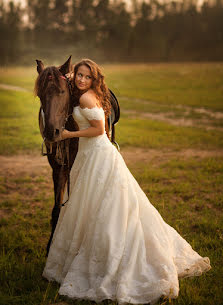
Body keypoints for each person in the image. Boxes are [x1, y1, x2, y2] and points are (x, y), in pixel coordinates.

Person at [42, 59, 211, 304]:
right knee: (96, 204)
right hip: (92, 155)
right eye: (78, 75)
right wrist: (64, 76)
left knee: (105, 205)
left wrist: (69, 134)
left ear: (94, 80)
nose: (81, 80)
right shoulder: (85, 91)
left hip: (97, 152)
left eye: (86, 77)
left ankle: (113, 258)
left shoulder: (87, 98)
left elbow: (99, 130)